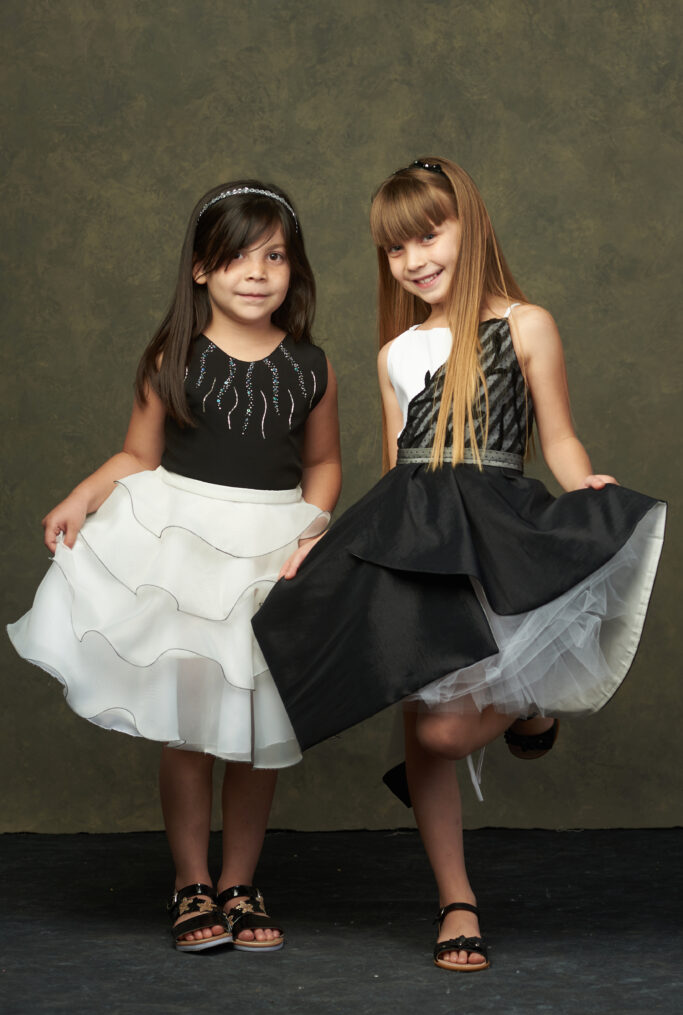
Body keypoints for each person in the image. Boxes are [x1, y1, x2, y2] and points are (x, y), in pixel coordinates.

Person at [252, 158, 666, 972]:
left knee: (445, 732)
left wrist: (584, 484)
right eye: (393, 247)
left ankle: (526, 705)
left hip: (494, 533)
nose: (412, 259)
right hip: (416, 537)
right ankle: (455, 901)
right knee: (422, 714)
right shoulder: (395, 352)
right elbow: (394, 469)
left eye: (427, 236)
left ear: (468, 227)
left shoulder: (525, 324)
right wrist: (331, 541)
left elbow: (556, 436)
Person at [8, 181, 342, 953]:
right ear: (200, 269)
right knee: (189, 728)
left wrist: (313, 524)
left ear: (293, 269)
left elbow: (323, 463)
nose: (256, 273)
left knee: (256, 726)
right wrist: (81, 496)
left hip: (271, 553)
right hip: (186, 555)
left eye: (274, 256)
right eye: (237, 257)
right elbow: (138, 454)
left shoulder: (312, 366)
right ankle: (191, 882)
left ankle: (239, 882)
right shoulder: (172, 358)